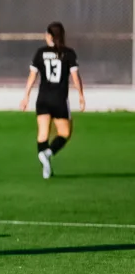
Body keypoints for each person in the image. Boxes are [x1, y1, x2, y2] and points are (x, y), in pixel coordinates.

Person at [20, 22, 85, 179]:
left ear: (49, 35)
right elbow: (75, 77)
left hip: (42, 98)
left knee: (43, 133)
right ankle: (48, 154)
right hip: (59, 99)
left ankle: (45, 167)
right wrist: (81, 95)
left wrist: (26, 96)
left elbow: (32, 76)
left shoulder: (40, 53)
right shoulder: (68, 53)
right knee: (65, 132)